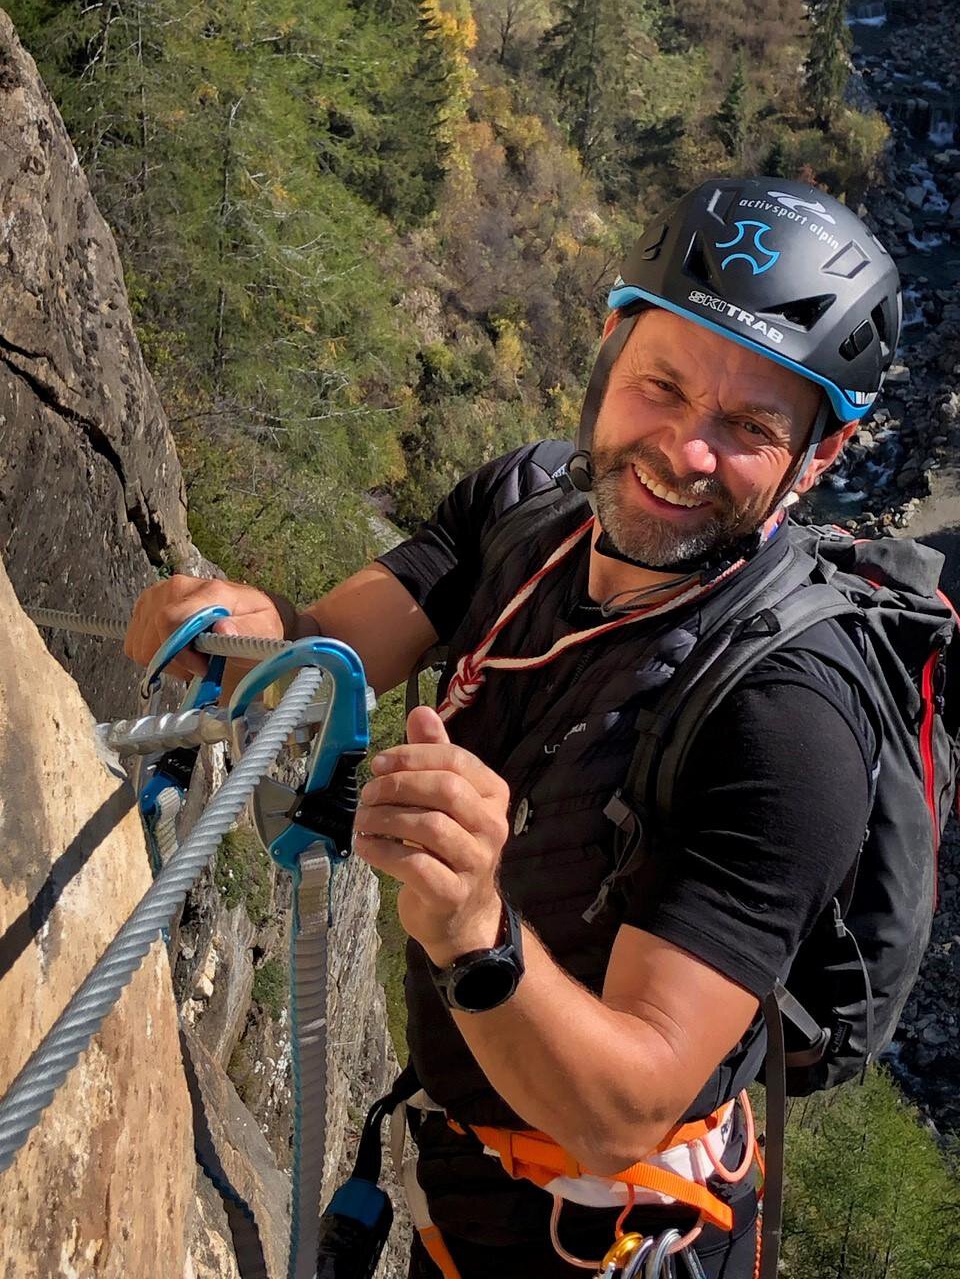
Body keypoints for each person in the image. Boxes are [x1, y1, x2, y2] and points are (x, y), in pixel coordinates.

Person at [125, 177, 902, 1277]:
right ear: (608, 348)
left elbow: (622, 1111)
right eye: (662, 386)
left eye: (749, 428)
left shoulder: (788, 718)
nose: (684, 450)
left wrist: (473, 926)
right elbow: (332, 643)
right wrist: (237, 625)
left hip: (611, 1235)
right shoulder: (527, 504)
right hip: (460, 1173)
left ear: (818, 455)